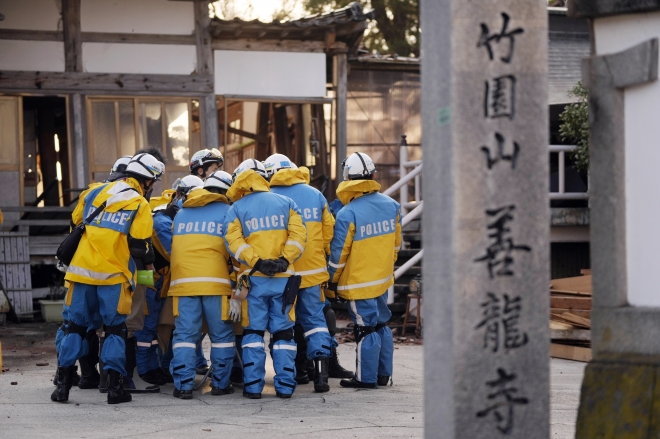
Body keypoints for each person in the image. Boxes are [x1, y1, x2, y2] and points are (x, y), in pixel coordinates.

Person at [52, 152, 164, 404]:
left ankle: (63, 387)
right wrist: (149, 264)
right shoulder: (139, 204)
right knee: (115, 330)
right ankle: (115, 389)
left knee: (75, 328)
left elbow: (75, 224)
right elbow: (139, 245)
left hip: (80, 273)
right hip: (113, 276)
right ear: (147, 181)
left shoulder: (93, 193)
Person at [224, 159, 306, 399]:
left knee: (253, 333)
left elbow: (233, 243)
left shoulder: (236, 209)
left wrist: (257, 262)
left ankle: (252, 387)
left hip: (253, 281)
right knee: (283, 334)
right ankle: (285, 387)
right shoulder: (287, 203)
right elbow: (300, 236)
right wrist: (283, 260)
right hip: (284, 281)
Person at [327, 152, 401, 389]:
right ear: (372, 175)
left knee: (365, 328)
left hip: (358, 283)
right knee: (381, 323)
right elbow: (396, 246)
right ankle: (383, 375)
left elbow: (339, 256)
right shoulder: (392, 206)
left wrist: (331, 280)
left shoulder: (348, 213)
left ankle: (365, 378)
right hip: (382, 279)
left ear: (347, 178)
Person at [266, 154, 334, 392]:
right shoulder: (315, 194)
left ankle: (291, 375)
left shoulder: (267, 195)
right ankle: (321, 375)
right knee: (315, 322)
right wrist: (321, 255)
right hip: (313, 272)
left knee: (283, 323)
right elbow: (329, 234)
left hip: (282, 274)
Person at [168, 172, 235, 399]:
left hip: (183, 284)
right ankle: (220, 385)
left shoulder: (182, 214)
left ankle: (184, 386)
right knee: (222, 336)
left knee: (185, 337)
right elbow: (234, 249)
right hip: (216, 284)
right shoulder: (228, 212)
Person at [135, 175, 204, 386]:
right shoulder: (162, 221)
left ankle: (159, 366)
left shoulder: (174, 218)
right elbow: (175, 254)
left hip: (160, 278)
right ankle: (146, 369)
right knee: (147, 322)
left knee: (162, 326)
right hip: (147, 276)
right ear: (179, 195)